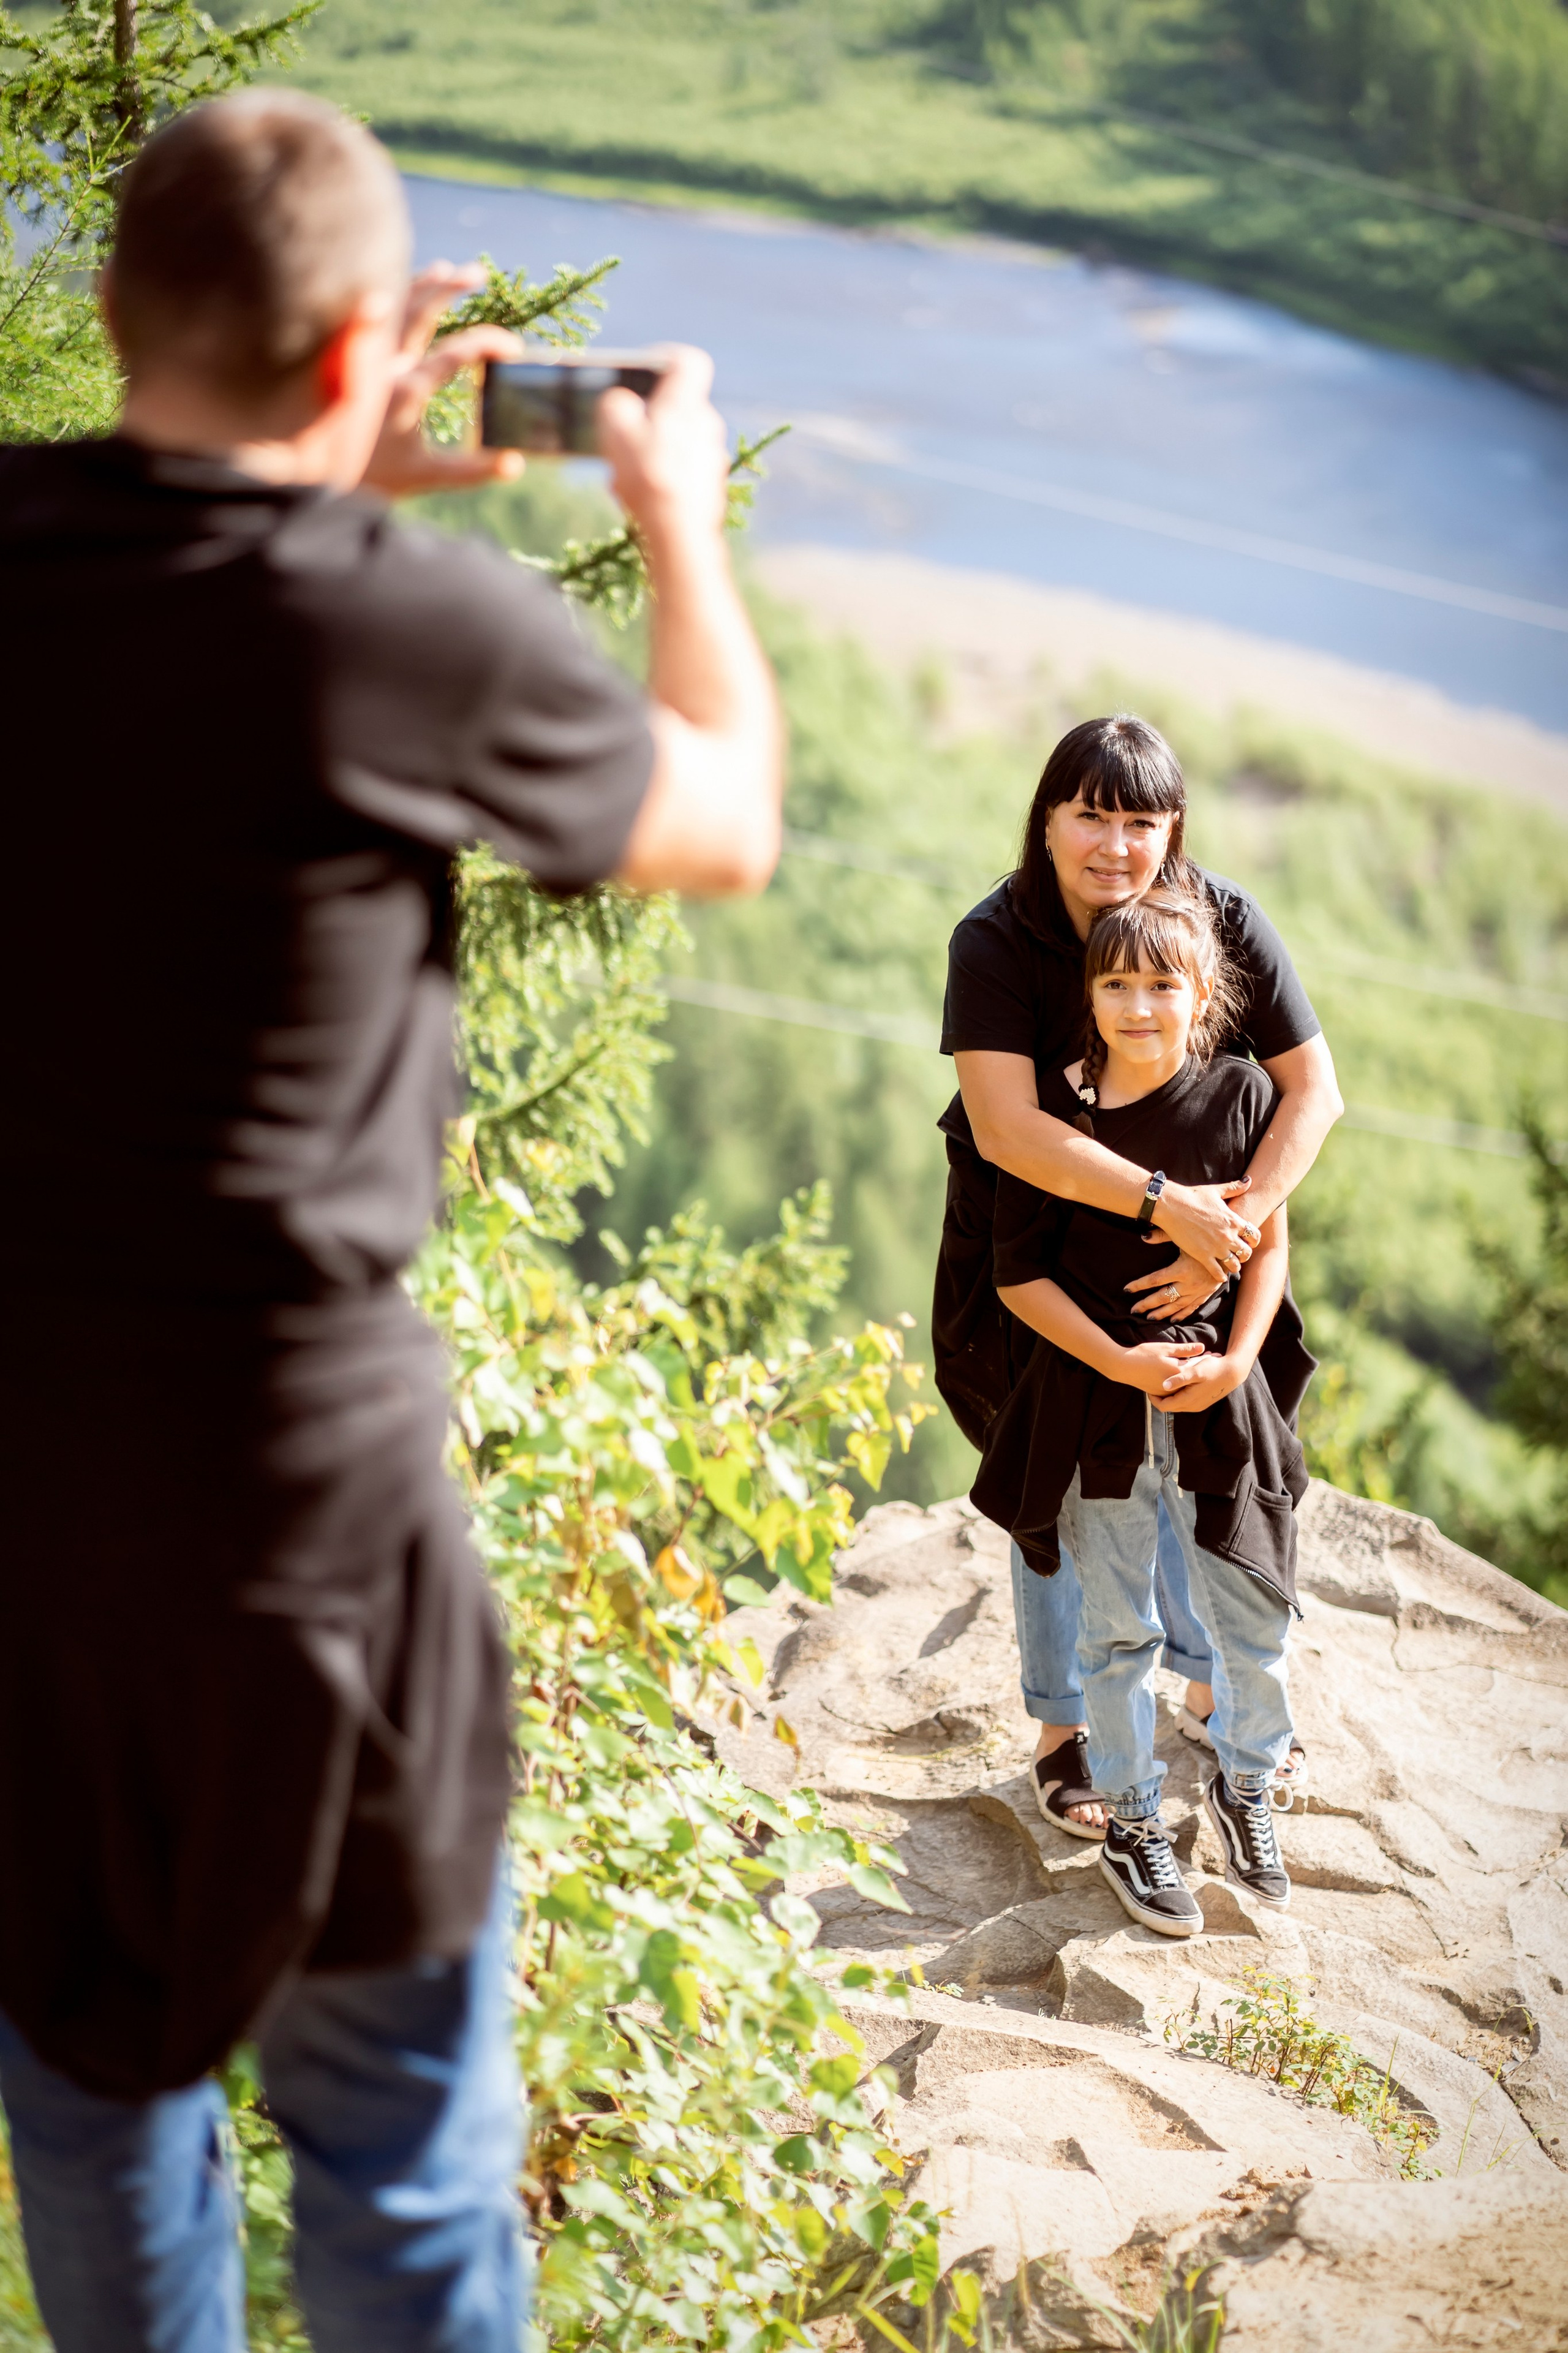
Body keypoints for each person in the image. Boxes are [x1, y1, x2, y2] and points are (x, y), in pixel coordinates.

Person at [0, 89, 782, 2353]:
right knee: (405, 2173)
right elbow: (719, 814)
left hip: (29, 1495)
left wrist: (324, 457)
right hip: (309, 1522)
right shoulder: (404, 629)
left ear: (119, 311)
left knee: (95, 2085)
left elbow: (163, 598)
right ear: (365, 352)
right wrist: (676, 513)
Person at [933, 717, 1336, 1829]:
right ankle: (1065, 1733)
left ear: (1174, 829)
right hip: (1041, 1239)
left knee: (1204, 1451)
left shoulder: (1224, 922)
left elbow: (1314, 1093)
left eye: (1142, 821)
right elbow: (1010, 1130)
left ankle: (1216, 1697)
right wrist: (1165, 1206)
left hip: (1208, 1238)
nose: (1116, 844)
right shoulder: (1000, 939)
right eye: (1091, 816)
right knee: (1057, 1467)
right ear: (1048, 820)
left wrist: (1232, 1228)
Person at [973, 891, 1313, 1935]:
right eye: (1115, 983)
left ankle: (1245, 1782)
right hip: (1093, 1411)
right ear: (1088, 996)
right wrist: (1120, 1359)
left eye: (1163, 983)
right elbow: (1019, 1280)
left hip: (1221, 1406)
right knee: (1118, 1632)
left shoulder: (1245, 1097)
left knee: (1252, 1614)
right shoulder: (1059, 1121)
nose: (1137, 1004)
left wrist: (1240, 1359)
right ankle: (1130, 1817)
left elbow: (1271, 1246)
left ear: (1204, 993)